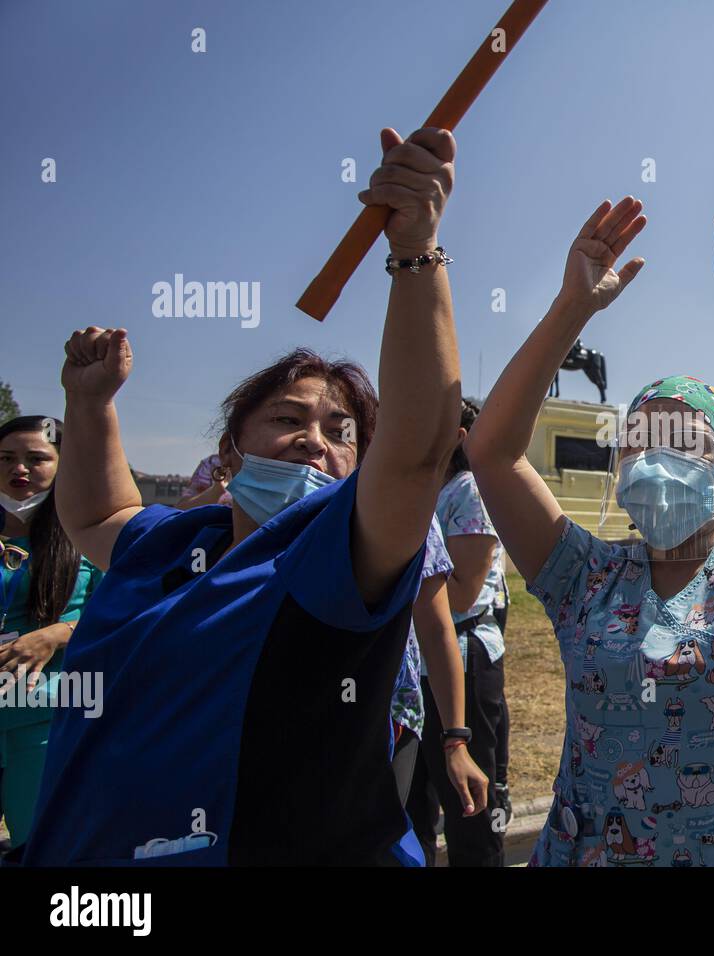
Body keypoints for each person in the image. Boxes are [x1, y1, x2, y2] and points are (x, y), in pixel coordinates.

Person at [21, 125, 464, 866]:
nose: (314, 440)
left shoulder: (337, 557)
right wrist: (91, 403)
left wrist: (415, 250)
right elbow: (97, 514)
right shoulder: (172, 542)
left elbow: (418, 453)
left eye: (340, 430)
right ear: (231, 450)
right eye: (287, 419)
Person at [467, 149, 714, 867]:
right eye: (638, 441)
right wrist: (574, 307)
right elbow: (494, 451)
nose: (655, 461)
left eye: (683, 441)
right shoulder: (583, 577)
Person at [407, 397, 510, 866]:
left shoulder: (468, 488)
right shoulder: (430, 487)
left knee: (468, 807)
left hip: (462, 660)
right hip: (422, 662)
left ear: (458, 437)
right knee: (417, 799)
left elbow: (465, 591)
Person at [0, 416, 103, 856]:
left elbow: (123, 618)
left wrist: (55, 634)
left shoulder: (93, 537)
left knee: (36, 844)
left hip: (44, 717)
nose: (19, 469)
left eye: (37, 458)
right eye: (6, 458)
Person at [390, 513, 489, 861]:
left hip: (391, 718)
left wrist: (456, 739)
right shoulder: (236, 512)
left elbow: (441, 620)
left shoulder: (407, 508)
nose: (316, 453)